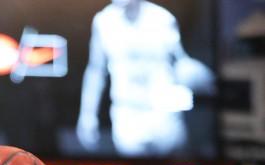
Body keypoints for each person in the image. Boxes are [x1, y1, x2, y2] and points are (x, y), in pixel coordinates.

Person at [76, 0, 215, 156]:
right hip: (127, 114)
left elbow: (181, 62)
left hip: (163, 116)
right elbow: (96, 71)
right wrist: (87, 116)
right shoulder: (104, 22)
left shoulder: (162, 19)